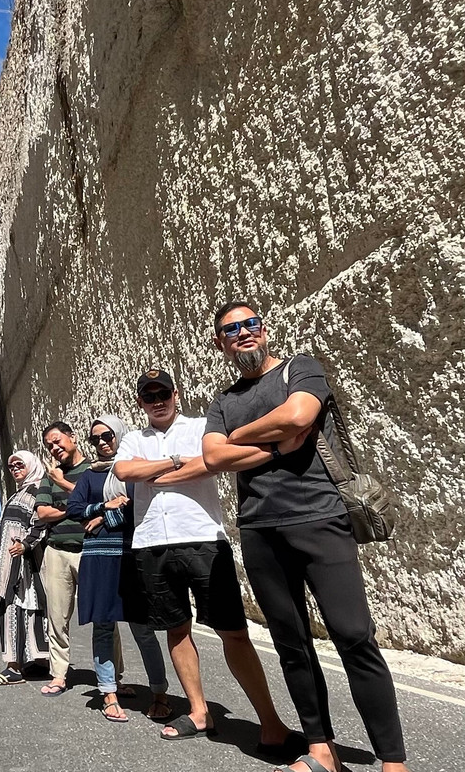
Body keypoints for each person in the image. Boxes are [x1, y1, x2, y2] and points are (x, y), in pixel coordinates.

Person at [203, 302, 411, 772]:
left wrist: (239, 439)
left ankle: (393, 762)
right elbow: (213, 458)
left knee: (354, 635)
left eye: (250, 324)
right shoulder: (223, 401)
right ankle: (321, 748)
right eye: (230, 330)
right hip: (258, 530)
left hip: (320, 519)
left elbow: (299, 416)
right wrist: (274, 443)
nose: (243, 334)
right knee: (290, 642)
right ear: (220, 343)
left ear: (264, 330)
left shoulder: (301, 368)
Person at [112, 371, 291, 745]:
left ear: (176, 394)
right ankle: (198, 711)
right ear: (140, 402)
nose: (157, 400)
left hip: (203, 539)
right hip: (152, 545)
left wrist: (157, 470)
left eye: (163, 392)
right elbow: (125, 471)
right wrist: (175, 463)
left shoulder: (200, 427)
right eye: (149, 396)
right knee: (176, 630)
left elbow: (212, 462)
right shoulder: (132, 438)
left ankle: (270, 722)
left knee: (233, 632)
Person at [65, 415, 171, 723]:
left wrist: (102, 521)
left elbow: (143, 508)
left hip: (131, 557)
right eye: (95, 438)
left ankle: (159, 694)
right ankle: (108, 693)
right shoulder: (89, 476)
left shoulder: (133, 470)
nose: (101, 442)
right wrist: (102, 508)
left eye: (107, 436)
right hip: (98, 559)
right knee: (103, 627)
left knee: (144, 629)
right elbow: (73, 510)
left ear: (120, 435)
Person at [31, 421, 91, 697]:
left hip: (89, 550)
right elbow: (42, 513)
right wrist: (77, 506)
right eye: (49, 445)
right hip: (56, 551)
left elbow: (99, 503)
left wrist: (65, 492)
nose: (55, 448)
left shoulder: (92, 470)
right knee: (56, 616)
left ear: (72, 438)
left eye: (58, 441)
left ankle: (113, 677)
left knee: (103, 616)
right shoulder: (49, 475)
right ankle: (59, 674)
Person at [0, 450, 49, 685]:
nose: (14, 469)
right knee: (25, 608)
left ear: (31, 465)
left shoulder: (38, 490)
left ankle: (13, 666)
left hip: (26, 564)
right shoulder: (21, 492)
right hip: (12, 563)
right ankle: (39, 661)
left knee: (15, 608)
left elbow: (41, 522)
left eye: (19, 464)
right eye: (11, 466)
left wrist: (25, 545)